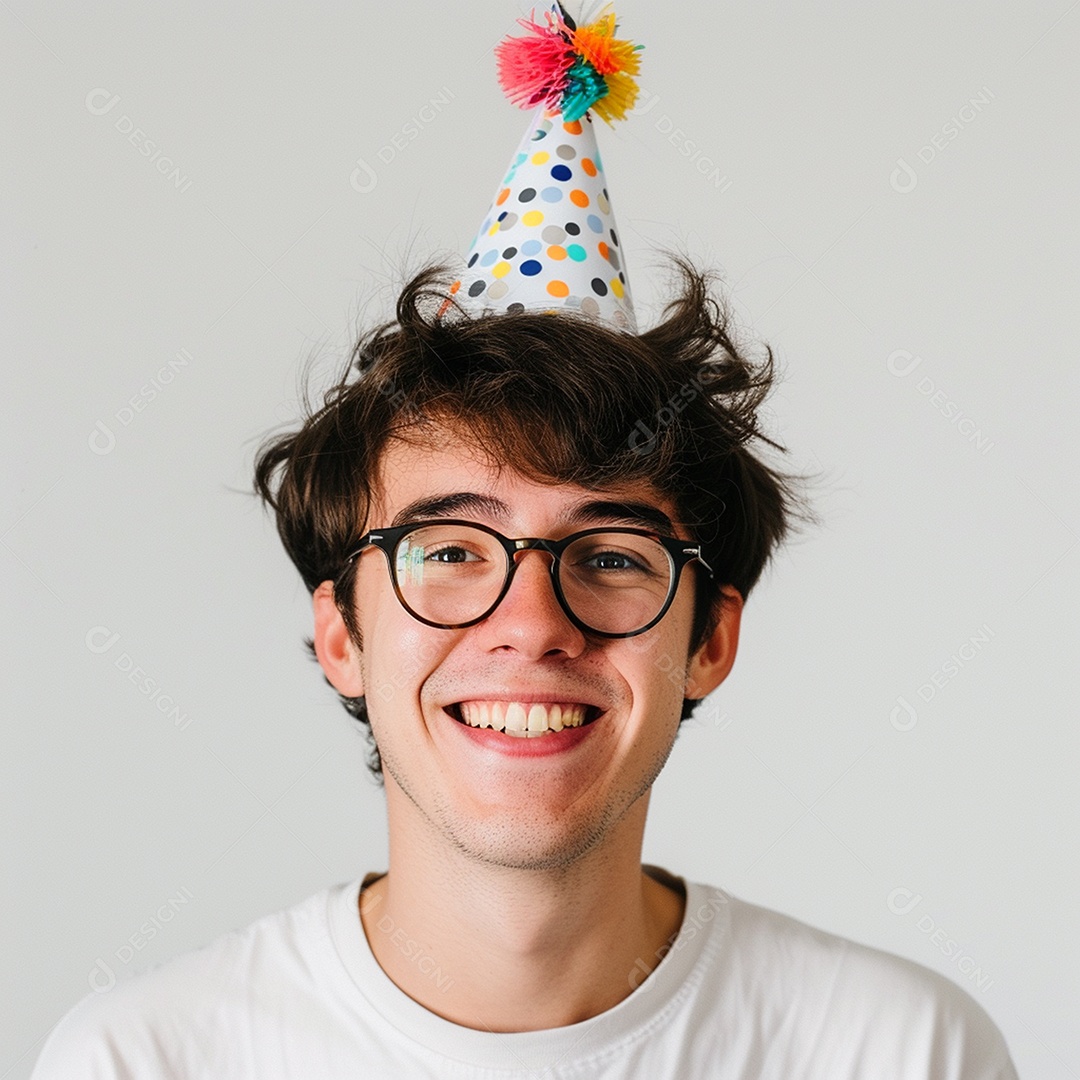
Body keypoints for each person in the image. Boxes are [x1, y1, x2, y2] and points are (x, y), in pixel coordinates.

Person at [32, 7, 1018, 1077]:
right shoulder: (140, 1060)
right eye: (452, 551)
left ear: (710, 641)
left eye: (612, 557)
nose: (532, 625)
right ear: (341, 634)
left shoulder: (903, 1051)